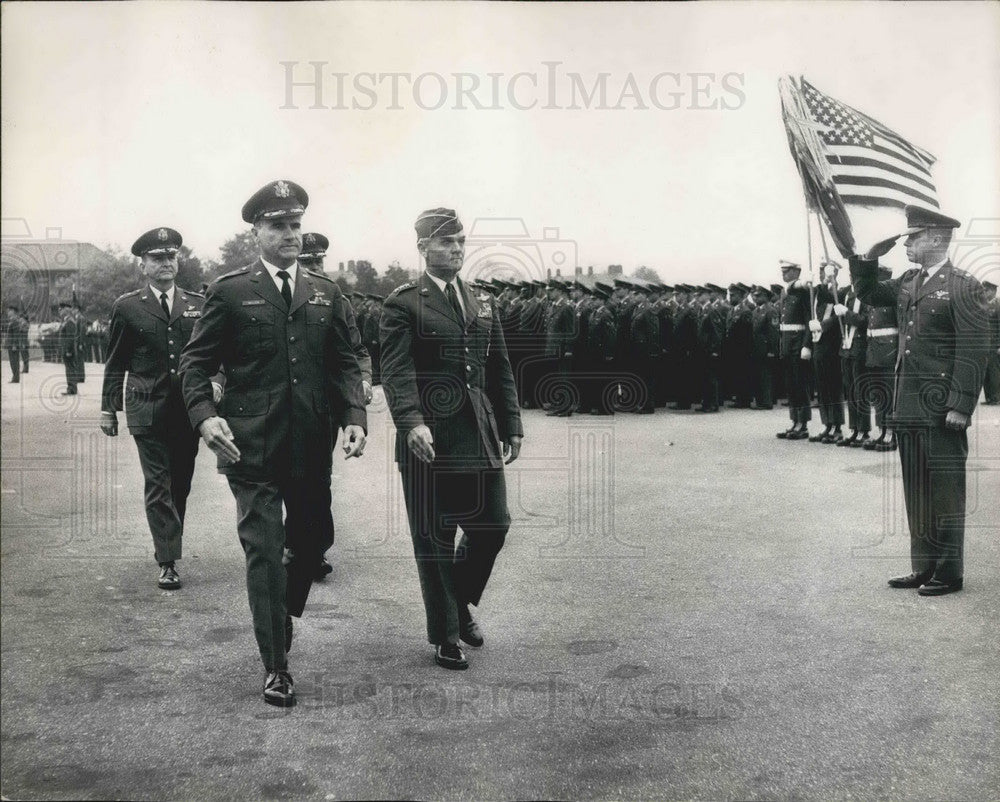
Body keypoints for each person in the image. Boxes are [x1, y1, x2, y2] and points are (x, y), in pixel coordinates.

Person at [180, 180, 368, 706]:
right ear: (257, 232)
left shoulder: (327, 293)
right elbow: (195, 363)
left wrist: (354, 415)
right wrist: (204, 417)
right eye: (278, 226)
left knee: (312, 543)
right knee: (264, 552)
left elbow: (345, 362)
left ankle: (281, 608)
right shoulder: (230, 291)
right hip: (251, 447)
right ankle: (276, 665)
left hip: (310, 443)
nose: (290, 235)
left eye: (295, 225)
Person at [379, 207, 522, 671]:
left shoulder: (482, 300)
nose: (457, 250)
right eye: (447, 243)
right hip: (430, 438)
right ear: (423, 248)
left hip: (478, 432)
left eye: (461, 242)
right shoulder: (403, 303)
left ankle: (457, 603)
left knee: (493, 524)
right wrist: (411, 422)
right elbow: (396, 372)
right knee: (435, 537)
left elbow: (498, 366)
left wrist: (512, 424)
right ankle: (444, 635)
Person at [850, 205, 990, 596]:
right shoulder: (909, 282)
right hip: (908, 404)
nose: (906, 243)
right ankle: (923, 565)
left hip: (943, 407)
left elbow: (973, 349)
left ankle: (949, 570)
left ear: (935, 238)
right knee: (916, 489)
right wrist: (868, 256)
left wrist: (962, 405)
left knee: (945, 490)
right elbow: (867, 291)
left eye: (912, 237)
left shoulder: (963, 285)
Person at [100, 228, 218, 590]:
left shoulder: (198, 303)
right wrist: (109, 408)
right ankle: (167, 559)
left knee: (180, 484)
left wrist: (217, 382)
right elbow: (115, 361)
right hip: (145, 408)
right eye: (157, 258)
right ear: (143, 265)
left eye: (171, 256)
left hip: (188, 409)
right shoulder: (128, 306)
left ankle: (167, 543)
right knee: (158, 483)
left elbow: (215, 354)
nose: (166, 263)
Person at [299, 231, 373, 581]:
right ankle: (296, 540)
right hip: (285, 405)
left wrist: (364, 381)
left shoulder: (334, 298)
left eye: (318, 262)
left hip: (324, 405)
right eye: (306, 262)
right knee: (289, 479)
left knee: (318, 478)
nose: (314, 268)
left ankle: (313, 550)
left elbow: (356, 351)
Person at [776, 261, 812, 440]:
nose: (784, 274)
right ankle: (794, 421)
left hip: (798, 343)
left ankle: (803, 424)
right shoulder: (785, 292)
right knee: (791, 386)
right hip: (787, 343)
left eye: (787, 271)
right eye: (783, 271)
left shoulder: (802, 292)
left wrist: (807, 345)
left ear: (797, 271)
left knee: (800, 384)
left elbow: (808, 320)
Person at [57, 301, 80, 395]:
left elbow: (70, 338)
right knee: (69, 369)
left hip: (68, 350)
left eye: (61, 310)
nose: (59, 312)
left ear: (65, 310)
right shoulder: (66, 320)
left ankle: (72, 389)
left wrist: (68, 350)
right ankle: (70, 388)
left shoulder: (69, 321)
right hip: (66, 349)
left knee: (70, 369)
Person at [983, 280, 1000, 404]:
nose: (985, 292)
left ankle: (996, 397)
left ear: (994, 291)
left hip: (995, 344)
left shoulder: (998, 305)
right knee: (986, 370)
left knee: (994, 371)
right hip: (985, 343)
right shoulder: (984, 304)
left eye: (987, 290)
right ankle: (989, 397)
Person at [4, 306, 28, 383]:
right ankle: (15, 377)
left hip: (13, 345)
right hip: (11, 344)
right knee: (12, 361)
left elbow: (16, 334)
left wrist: (14, 344)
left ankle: (16, 378)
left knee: (14, 361)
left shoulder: (15, 321)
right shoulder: (12, 320)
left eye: (9, 311)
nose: (8, 312)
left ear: (13, 311)